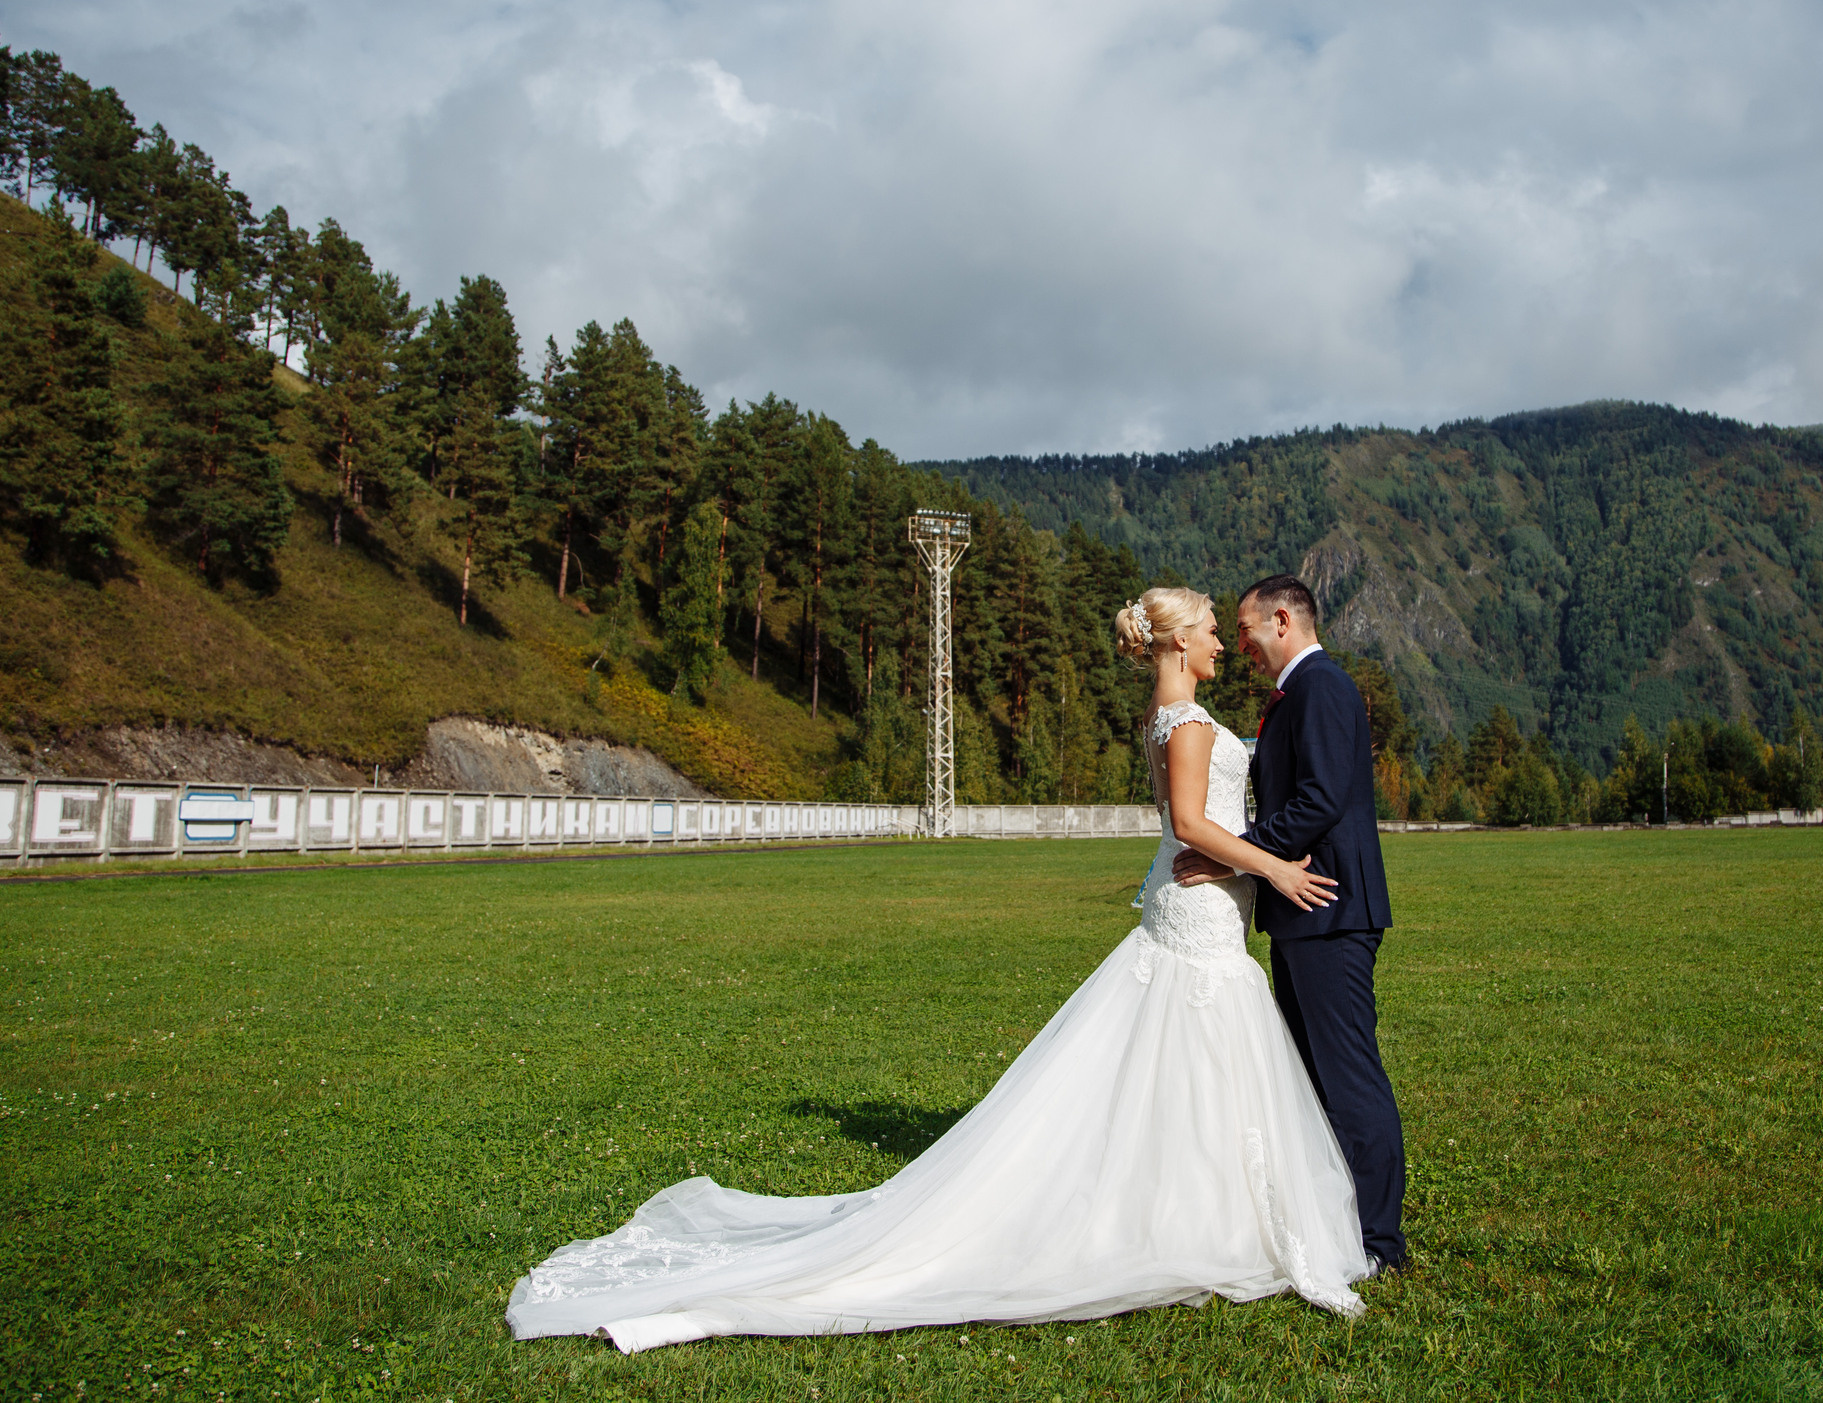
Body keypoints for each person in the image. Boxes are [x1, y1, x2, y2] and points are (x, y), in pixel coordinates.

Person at [505, 586, 1371, 1350]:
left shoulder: (1173, 714)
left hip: (1202, 908)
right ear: (1178, 639)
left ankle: (1196, 1210)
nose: (1223, 640)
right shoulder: (1185, 721)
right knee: (1193, 1053)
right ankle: (1196, 1220)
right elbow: (1189, 823)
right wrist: (1273, 867)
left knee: (1185, 1064)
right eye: (1213, 628)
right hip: (1199, 910)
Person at [1172, 573, 1407, 1274]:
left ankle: (1379, 1243)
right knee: (1312, 1077)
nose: (1239, 644)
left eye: (1244, 629)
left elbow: (1320, 800)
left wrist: (1237, 855)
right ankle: (1333, 1223)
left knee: (1348, 1076)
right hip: (1302, 913)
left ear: (1281, 620)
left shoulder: (1322, 687)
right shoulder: (1296, 692)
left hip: (1328, 907)